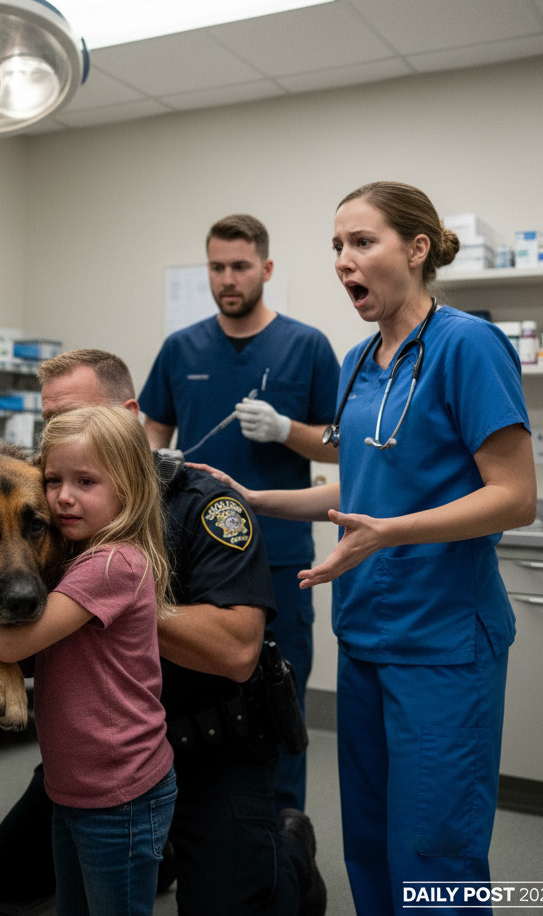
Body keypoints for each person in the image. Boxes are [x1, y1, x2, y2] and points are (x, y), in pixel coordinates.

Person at [193, 182, 536, 915]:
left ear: (417, 249)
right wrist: (253, 497)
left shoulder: (467, 345)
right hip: (368, 638)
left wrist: (391, 532)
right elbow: (354, 491)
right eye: (337, 247)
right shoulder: (356, 361)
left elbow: (514, 495)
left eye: (362, 242)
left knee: (433, 848)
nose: (345, 261)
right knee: (371, 839)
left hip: (443, 643)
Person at [0, 349, 326, 916]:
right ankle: (157, 850)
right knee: (5, 876)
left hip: (212, 743)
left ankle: (289, 851)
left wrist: (108, 606)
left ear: (131, 415)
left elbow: (237, 649)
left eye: (79, 417)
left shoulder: (205, 504)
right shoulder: (54, 508)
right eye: (51, 424)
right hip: (106, 746)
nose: (63, 437)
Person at [0, 404, 177, 916]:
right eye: (55, 480)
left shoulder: (110, 565)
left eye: (86, 481)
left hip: (122, 793)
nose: (64, 496)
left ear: (130, 488)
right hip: (73, 786)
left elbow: (9, 646)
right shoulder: (79, 556)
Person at [138, 213, 340, 813]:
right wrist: (154, 459)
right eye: (217, 267)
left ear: (266, 270)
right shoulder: (181, 348)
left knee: (279, 711)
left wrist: (286, 431)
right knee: (188, 711)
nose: (228, 279)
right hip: (192, 563)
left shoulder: (307, 346)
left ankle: (283, 852)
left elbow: (340, 443)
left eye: (241, 266)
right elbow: (151, 430)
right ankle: (197, 846)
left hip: (279, 559)